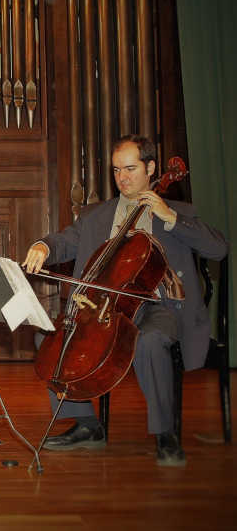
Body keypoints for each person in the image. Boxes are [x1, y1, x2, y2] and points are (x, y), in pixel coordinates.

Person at [22, 135, 228, 466]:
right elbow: (65, 241)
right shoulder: (96, 216)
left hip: (161, 305)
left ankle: (166, 433)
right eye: (117, 170)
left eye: (131, 169)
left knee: (151, 340)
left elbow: (219, 248)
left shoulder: (178, 212)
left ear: (151, 168)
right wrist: (44, 246)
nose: (123, 178)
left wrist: (171, 219)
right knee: (52, 338)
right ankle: (88, 426)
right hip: (107, 307)